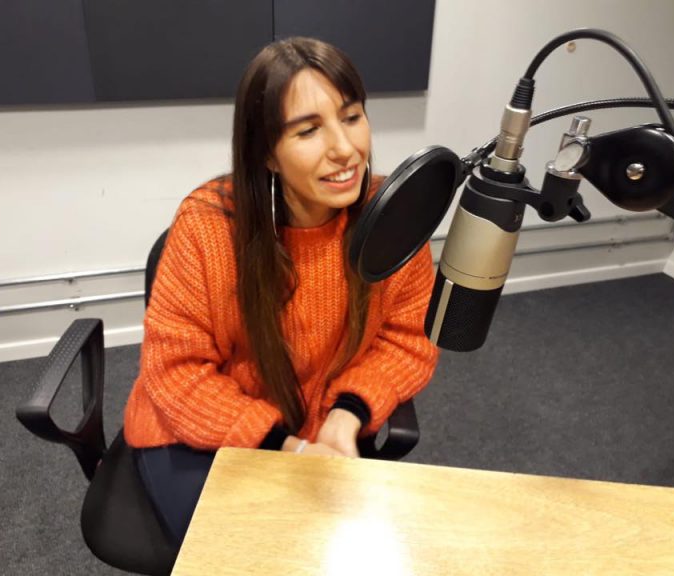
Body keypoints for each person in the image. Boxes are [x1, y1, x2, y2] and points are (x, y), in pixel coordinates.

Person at [123, 37, 439, 546]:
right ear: (268, 153)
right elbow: (176, 374)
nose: (344, 148)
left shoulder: (394, 216)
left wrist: (346, 416)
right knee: (246, 555)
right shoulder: (206, 227)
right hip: (198, 434)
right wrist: (285, 446)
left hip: (321, 430)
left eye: (351, 117)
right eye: (308, 130)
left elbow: (408, 339)